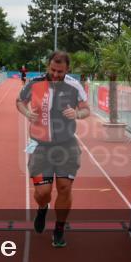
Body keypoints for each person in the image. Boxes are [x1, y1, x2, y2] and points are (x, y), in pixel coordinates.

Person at [15, 51, 90, 248]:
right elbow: (19, 102)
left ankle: (59, 228)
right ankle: (42, 208)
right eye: (53, 70)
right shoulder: (34, 83)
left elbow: (86, 109)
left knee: (64, 187)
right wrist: (27, 112)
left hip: (67, 146)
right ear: (48, 65)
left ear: (68, 70)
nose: (56, 74)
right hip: (40, 146)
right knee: (42, 192)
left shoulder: (74, 86)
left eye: (61, 71)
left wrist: (77, 113)